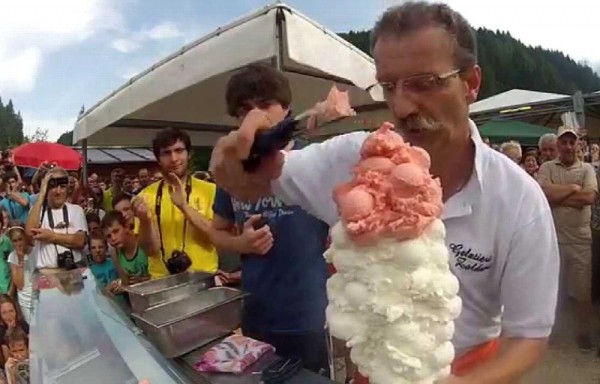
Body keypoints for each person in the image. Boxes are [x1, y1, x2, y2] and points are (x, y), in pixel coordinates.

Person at [210, 2, 559, 383]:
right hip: (374, 369)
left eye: (424, 83)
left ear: (471, 83)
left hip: (469, 369)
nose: (402, 105)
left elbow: (528, 336)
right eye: (389, 86)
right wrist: (234, 160)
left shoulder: (519, 199)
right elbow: (257, 176)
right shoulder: (350, 158)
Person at [201, 64, 328, 375]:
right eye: (244, 109)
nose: (255, 117)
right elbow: (216, 232)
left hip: (309, 315)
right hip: (256, 314)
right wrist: (240, 243)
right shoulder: (233, 171)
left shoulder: (317, 162)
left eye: (265, 104)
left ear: (286, 109)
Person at [537, 126, 598, 352]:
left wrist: (558, 196)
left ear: (578, 145)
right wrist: (573, 189)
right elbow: (542, 194)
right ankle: (549, 331)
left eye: (572, 142)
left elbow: (589, 197)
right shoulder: (546, 167)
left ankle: (582, 332)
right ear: (559, 145)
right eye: (564, 142)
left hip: (580, 241)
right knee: (553, 290)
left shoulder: (587, 169)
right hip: (551, 239)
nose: (569, 146)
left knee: (582, 292)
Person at [136, 128, 218, 278]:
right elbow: (150, 251)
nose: (174, 158)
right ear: (158, 159)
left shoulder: (210, 190)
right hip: (161, 281)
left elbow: (216, 236)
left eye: (179, 150)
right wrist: (145, 221)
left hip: (203, 277)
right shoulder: (145, 196)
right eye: (166, 153)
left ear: (189, 154)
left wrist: (184, 206)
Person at [25, 167, 88, 271]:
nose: (58, 192)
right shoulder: (37, 211)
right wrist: (41, 195)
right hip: (47, 273)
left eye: (63, 187)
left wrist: (50, 236)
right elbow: (29, 234)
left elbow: (80, 241)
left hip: (74, 271)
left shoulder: (76, 210)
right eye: (53, 187)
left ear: (68, 189)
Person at [102, 211, 150, 286]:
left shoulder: (142, 241)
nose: (113, 238)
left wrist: (144, 281)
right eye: (109, 236)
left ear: (126, 226)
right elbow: (126, 282)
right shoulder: (115, 253)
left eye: (116, 231)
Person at [6, 228, 33, 323]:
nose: (18, 243)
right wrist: (21, 260)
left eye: (20, 239)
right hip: (24, 300)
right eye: (15, 241)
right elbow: (20, 285)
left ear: (25, 237)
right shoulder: (12, 256)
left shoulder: (35, 252)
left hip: (39, 298)